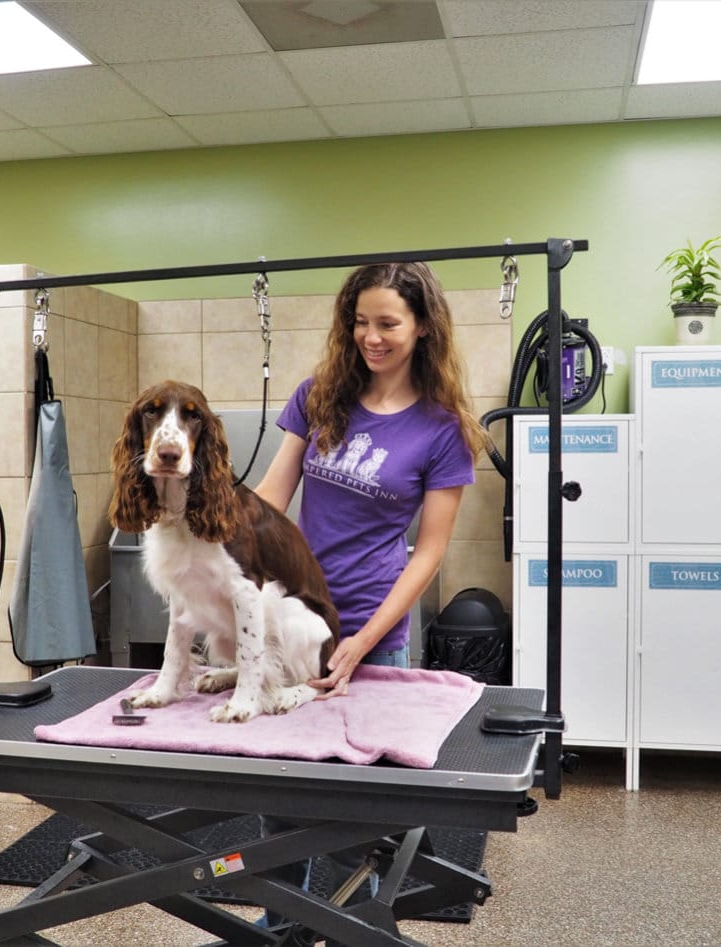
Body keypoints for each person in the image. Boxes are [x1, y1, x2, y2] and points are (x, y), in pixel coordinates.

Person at [252, 261, 487, 932]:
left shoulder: (442, 429)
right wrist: (226, 556)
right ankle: (281, 922)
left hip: (375, 622)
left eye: (387, 323)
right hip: (298, 616)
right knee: (282, 777)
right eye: (360, 322)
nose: (370, 337)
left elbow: (429, 551)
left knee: (367, 792)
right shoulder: (318, 394)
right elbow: (271, 497)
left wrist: (363, 640)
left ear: (421, 327)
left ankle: (364, 922)